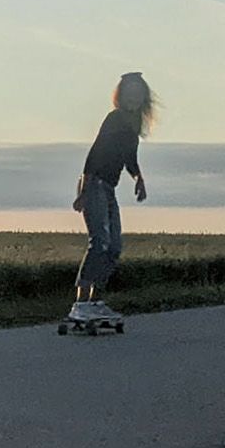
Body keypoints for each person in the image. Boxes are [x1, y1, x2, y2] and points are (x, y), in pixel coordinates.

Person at [70, 71, 153, 323]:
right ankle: (80, 303)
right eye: (129, 93)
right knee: (100, 242)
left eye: (138, 94)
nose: (134, 97)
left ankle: (96, 301)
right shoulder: (114, 119)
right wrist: (84, 189)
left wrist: (138, 177)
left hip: (108, 187)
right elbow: (95, 152)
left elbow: (129, 158)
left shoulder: (133, 123)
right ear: (121, 95)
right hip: (94, 183)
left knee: (114, 247)